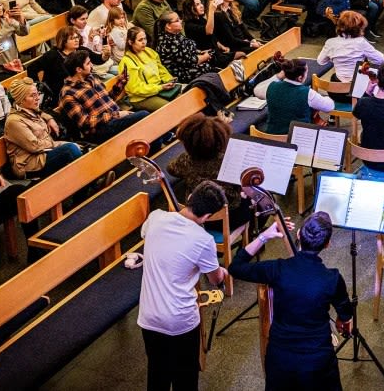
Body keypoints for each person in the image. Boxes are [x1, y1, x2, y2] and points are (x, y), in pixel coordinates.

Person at [229, 212, 353, 389]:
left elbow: (236, 267)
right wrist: (342, 320)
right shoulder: (332, 278)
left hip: (280, 359)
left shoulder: (278, 269)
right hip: (317, 361)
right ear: (327, 244)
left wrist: (264, 236)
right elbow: (345, 312)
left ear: (298, 234)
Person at [138, 180, 229, 391]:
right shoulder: (203, 240)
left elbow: (146, 235)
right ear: (207, 217)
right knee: (185, 378)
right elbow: (214, 279)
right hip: (181, 321)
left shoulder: (156, 217)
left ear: (189, 198)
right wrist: (222, 272)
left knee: (157, 374)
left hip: (149, 316)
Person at [166, 114, 252, 228]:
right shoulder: (230, 160)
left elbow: (171, 169)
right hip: (230, 218)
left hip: (196, 217)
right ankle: (254, 235)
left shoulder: (185, 160)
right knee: (258, 201)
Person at [58, 50, 150, 143]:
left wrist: (120, 83)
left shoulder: (91, 78)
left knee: (150, 122)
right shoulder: (68, 93)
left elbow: (108, 99)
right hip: (100, 130)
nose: (92, 66)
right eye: (88, 63)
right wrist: (117, 115)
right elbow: (85, 123)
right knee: (144, 116)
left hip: (115, 119)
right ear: (79, 69)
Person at [3, 79, 83, 178]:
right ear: (20, 99)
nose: (37, 98)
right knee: (70, 150)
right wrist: (60, 144)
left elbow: (41, 112)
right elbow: (34, 146)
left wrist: (49, 118)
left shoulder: (32, 110)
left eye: (37, 94)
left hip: (45, 154)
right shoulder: (14, 121)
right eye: (32, 95)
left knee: (85, 147)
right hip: (31, 164)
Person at [261, 57, 335, 136]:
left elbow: (256, 90)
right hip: (298, 139)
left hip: (273, 137)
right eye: (306, 72)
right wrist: (323, 97)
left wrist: (278, 76)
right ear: (300, 78)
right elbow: (330, 107)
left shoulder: (272, 86)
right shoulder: (308, 93)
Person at [117, 27, 177, 112]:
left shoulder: (149, 51)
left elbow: (161, 70)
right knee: (171, 108)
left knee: (182, 98)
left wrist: (169, 80)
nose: (144, 42)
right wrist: (160, 88)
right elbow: (135, 89)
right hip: (141, 98)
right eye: (140, 40)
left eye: (145, 38)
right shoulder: (127, 62)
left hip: (159, 89)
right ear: (130, 42)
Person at [316, 10, 384, 82]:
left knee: (334, 77)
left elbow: (321, 61)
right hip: (357, 86)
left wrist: (335, 56)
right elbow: (380, 59)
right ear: (358, 28)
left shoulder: (330, 43)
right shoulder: (361, 42)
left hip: (336, 88)